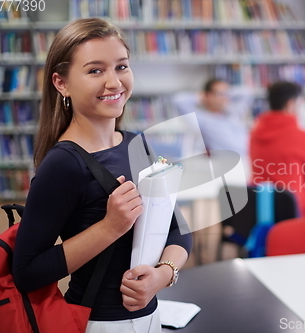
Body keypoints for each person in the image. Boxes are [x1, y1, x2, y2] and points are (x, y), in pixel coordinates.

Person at [12, 18, 191, 332]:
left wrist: (162, 275)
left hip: (151, 317)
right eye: (95, 70)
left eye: (121, 66)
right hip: (96, 323)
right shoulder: (63, 164)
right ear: (61, 83)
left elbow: (178, 228)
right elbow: (27, 272)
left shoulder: (138, 144)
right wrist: (110, 227)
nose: (114, 82)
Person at [250, 81, 305, 217]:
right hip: (296, 211)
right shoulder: (302, 137)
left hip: (262, 209)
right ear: (290, 104)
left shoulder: (254, 134)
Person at [172, 78, 253, 158]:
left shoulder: (233, 112)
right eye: (220, 94)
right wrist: (202, 97)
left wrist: (227, 92)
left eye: (226, 94)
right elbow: (178, 100)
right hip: (229, 162)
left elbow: (247, 93)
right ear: (208, 95)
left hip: (250, 158)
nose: (224, 97)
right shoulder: (202, 118)